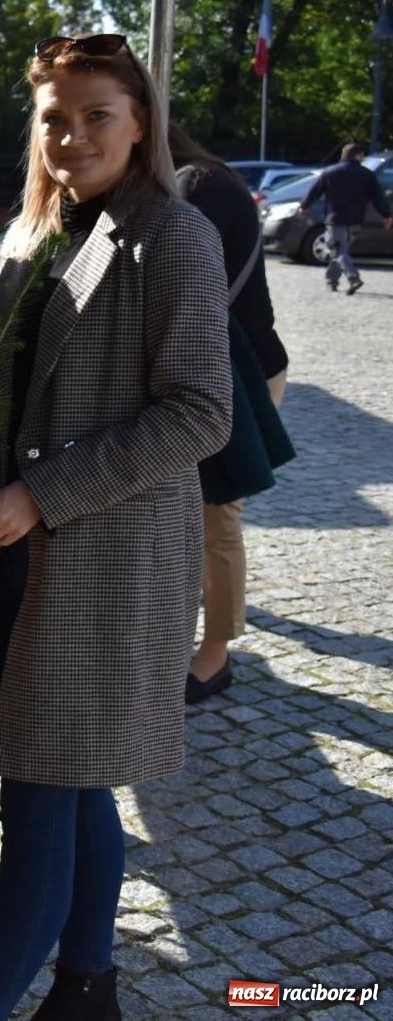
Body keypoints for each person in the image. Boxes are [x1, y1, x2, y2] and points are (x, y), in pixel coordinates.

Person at [0, 34, 231, 1019]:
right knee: (76, 780)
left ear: (138, 121)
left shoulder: (172, 236)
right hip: (30, 552)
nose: (72, 134)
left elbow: (198, 413)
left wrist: (39, 494)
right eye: (54, 117)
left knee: (38, 793)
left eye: (97, 113)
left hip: (106, 559)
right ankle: (88, 983)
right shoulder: (37, 229)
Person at [168, 125, 293, 703]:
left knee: (217, 517)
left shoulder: (202, 185)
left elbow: (179, 279)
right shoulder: (192, 180)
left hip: (236, 376)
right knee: (191, 515)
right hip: (209, 371)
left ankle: (215, 655)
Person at [301, 143, 393, 295]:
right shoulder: (367, 174)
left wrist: (304, 206)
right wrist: (386, 215)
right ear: (358, 156)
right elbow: (378, 197)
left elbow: (314, 191)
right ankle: (331, 282)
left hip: (335, 218)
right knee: (341, 252)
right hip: (356, 220)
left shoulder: (330, 172)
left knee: (338, 251)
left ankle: (353, 278)